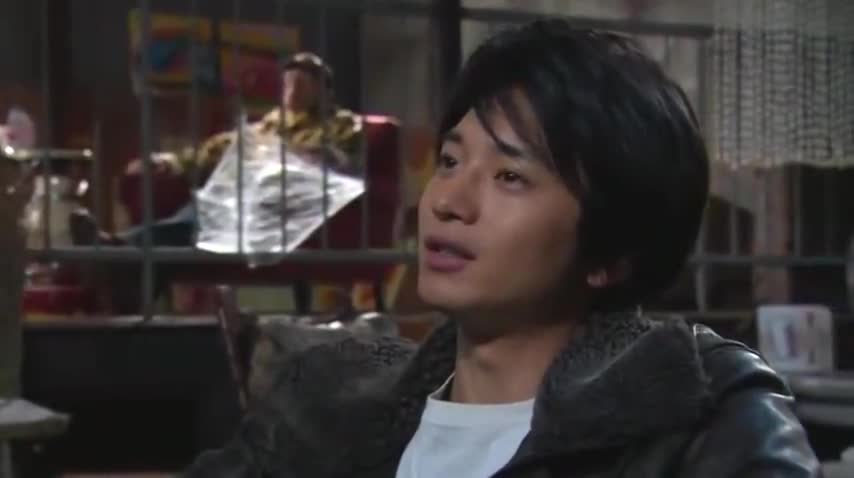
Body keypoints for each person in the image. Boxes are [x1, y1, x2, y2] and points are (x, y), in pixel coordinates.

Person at [183, 20, 819, 478]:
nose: (448, 201)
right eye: (450, 160)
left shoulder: (703, 413)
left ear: (611, 253)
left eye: (510, 176)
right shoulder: (328, 405)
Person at [70, 51, 363, 249]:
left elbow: (338, 161)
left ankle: (119, 248)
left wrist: (281, 157)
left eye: (302, 84)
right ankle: (124, 253)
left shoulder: (341, 123)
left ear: (324, 91)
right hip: (244, 195)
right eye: (288, 83)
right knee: (202, 208)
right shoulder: (269, 125)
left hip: (290, 202)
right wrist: (169, 162)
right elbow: (217, 148)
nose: (292, 90)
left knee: (208, 215)